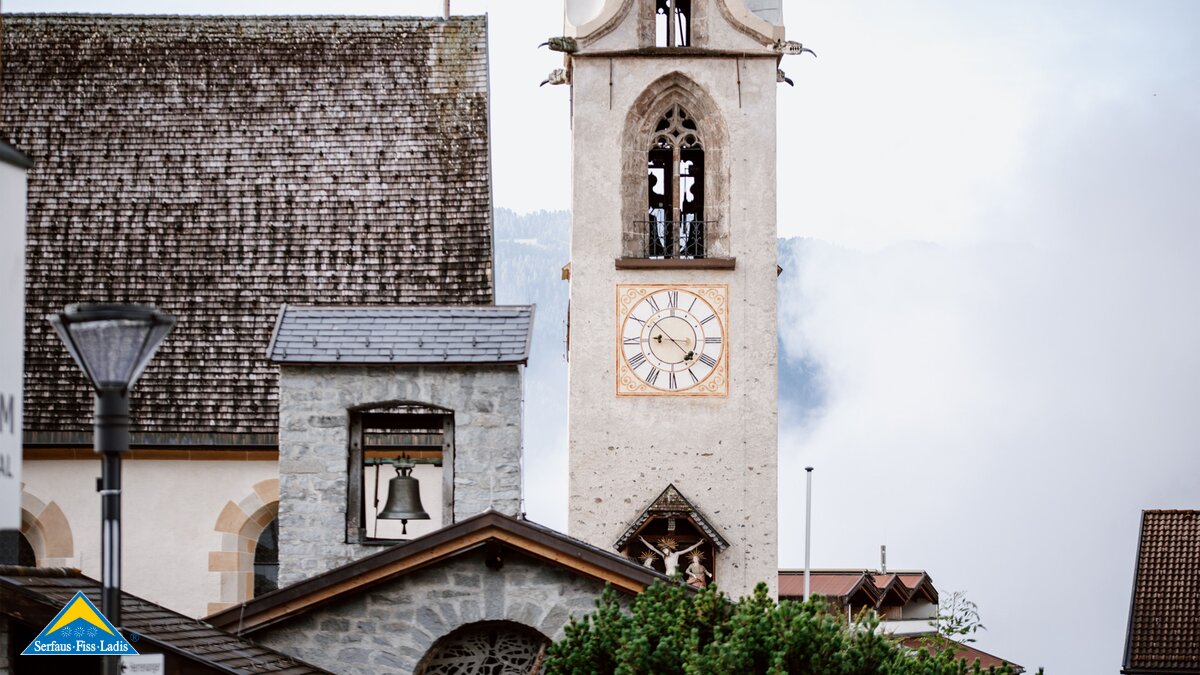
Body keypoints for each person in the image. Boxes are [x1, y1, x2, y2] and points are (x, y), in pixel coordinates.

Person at [639, 535, 703, 576]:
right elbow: (652, 548)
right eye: (664, 552)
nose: (665, 553)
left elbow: (689, 549)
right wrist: (643, 540)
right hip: (667, 575)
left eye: (666, 551)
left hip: (674, 575)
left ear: (669, 549)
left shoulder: (676, 554)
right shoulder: (663, 556)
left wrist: (699, 543)